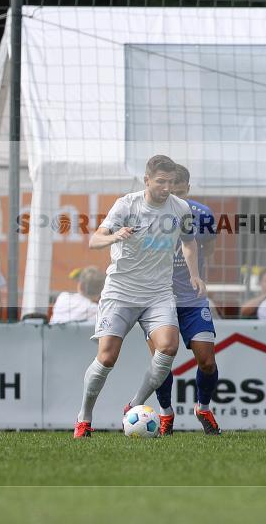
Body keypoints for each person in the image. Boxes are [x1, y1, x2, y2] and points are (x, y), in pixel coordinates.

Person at [73, 155, 205, 438]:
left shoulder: (180, 208)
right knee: (107, 358)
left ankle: (134, 406)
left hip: (158, 293)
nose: (166, 188)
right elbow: (95, 239)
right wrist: (115, 236)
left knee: (168, 348)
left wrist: (194, 274)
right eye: (160, 182)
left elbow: (189, 243)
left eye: (171, 182)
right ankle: (84, 416)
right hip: (121, 292)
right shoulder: (126, 205)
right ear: (146, 180)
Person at [149, 164, 221, 435]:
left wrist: (199, 277)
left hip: (191, 298)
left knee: (207, 361)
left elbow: (209, 249)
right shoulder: (149, 213)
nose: (173, 197)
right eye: (168, 191)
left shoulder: (202, 215)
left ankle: (203, 407)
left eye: (179, 192)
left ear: (187, 189)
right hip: (157, 298)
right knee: (162, 360)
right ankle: (165, 413)